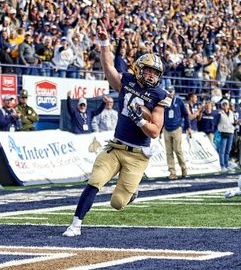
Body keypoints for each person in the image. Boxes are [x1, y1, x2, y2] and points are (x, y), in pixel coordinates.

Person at [63, 19, 171, 237]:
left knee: (117, 203)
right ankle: (75, 225)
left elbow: (155, 131)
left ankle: (132, 193)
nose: (151, 76)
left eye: (155, 73)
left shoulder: (159, 95)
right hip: (116, 146)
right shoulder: (128, 81)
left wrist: (140, 120)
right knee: (95, 181)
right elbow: (108, 68)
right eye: (148, 71)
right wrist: (104, 44)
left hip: (138, 155)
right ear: (139, 69)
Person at [163, 85, 191, 180]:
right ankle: (172, 172)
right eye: (168, 91)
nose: (170, 93)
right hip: (166, 128)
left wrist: (188, 127)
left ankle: (184, 169)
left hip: (176, 128)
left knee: (177, 150)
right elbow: (161, 115)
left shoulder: (179, 101)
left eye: (171, 91)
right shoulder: (164, 101)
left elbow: (186, 115)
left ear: (174, 92)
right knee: (168, 152)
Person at [216, 99, 236, 172]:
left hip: (230, 132)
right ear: (221, 106)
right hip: (223, 132)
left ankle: (226, 164)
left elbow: (233, 122)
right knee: (222, 150)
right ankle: (222, 165)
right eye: (223, 104)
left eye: (226, 104)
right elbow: (216, 122)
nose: (225, 106)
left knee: (228, 150)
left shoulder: (231, 113)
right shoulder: (220, 113)